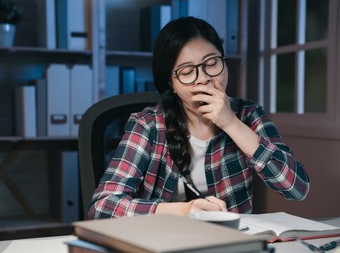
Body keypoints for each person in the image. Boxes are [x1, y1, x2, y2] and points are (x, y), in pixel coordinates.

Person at [88, 17, 310, 219]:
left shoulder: (249, 115)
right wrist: (180, 211)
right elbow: (102, 207)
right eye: (186, 72)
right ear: (171, 84)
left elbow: (297, 188)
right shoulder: (148, 124)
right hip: (161, 246)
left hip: (228, 246)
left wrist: (232, 123)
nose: (203, 78)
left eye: (212, 63)